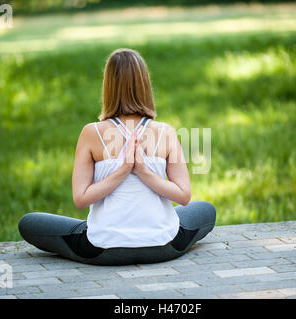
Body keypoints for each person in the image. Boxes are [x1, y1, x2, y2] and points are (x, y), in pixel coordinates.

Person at [18, 48, 216, 265]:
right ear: (145, 84)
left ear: (108, 86)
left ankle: (102, 228)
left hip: (103, 249)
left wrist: (133, 170)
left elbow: (81, 199)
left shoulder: (91, 132)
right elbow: (184, 196)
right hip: (164, 246)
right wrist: (134, 170)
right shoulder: (165, 131)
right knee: (205, 210)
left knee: (29, 223)